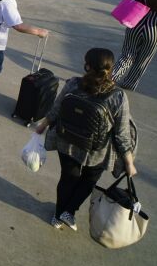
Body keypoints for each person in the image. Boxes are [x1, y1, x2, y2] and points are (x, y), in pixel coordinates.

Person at [35, 48, 136, 231]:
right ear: (110, 68)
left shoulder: (73, 83)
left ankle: (58, 215)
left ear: (87, 65)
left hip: (67, 142)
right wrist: (129, 162)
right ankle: (69, 212)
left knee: (67, 178)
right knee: (89, 180)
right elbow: (122, 134)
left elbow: (56, 108)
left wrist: (43, 125)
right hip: (97, 151)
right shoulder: (118, 96)